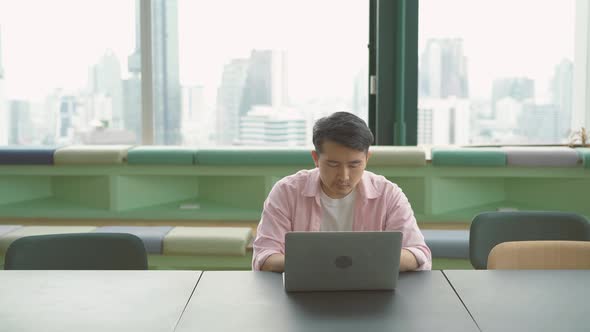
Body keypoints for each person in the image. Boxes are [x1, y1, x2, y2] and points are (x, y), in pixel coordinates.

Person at [252, 111, 432, 272]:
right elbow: (265, 256)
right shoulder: (286, 192)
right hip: (302, 295)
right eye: (333, 164)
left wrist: (358, 262)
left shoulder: (387, 194)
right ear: (316, 158)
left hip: (370, 294)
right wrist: (323, 264)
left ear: (367, 159)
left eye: (354, 164)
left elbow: (417, 253)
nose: (344, 176)